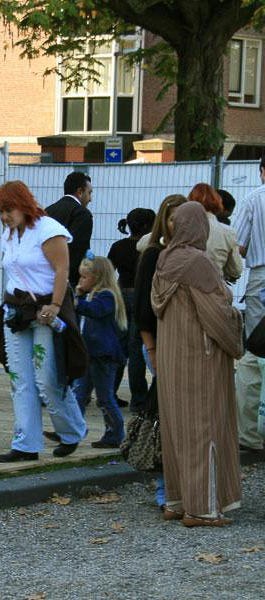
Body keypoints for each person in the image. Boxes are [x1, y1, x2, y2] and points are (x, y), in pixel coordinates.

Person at [152, 202, 243, 527]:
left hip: (171, 358)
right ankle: (201, 509)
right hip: (199, 358)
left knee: (177, 430)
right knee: (203, 429)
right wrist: (236, 324)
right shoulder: (198, 262)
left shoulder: (165, 259)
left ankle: (176, 501)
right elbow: (216, 315)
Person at [0, 181, 87, 462]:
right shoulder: (9, 234)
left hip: (45, 310)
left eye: (8, 210)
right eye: (0, 211)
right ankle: (26, 443)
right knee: (19, 379)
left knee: (46, 379)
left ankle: (71, 431)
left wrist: (55, 306)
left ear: (23, 205)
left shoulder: (49, 229)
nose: (4, 217)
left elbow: (62, 269)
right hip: (16, 310)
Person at [133, 194, 187, 512]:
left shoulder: (189, 255)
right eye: (172, 217)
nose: (177, 223)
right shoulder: (154, 254)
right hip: (159, 342)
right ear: (162, 221)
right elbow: (142, 309)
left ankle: (175, 487)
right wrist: (151, 348)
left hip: (180, 344)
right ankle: (165, 487)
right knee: (166, 415)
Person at [72, 255, 126, 448]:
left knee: (104, 398)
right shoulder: (93, 296)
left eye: (84, 277)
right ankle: (71, 429)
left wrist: (77, 300)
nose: (80, 281)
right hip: (91, 353)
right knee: (78, 393)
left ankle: (115, 435)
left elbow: (95, 310)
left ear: (97, 278)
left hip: (103, 355)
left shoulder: (106, 296)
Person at [108, 208, 155, 411]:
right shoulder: (149, 248)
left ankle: (109, 394)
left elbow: (108, 271)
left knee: (119, 345)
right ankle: (139, 399)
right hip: (141, 296)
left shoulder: (118, 246)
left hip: (120, 296)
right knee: (136, 347)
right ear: (147, 226)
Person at [233, 157, 265, 455]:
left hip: (261, 277)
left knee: (256, 355)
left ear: (262, 172)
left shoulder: (254, 199)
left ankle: (251, 432)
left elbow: (239, 246)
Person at [45, 171, 93, 287]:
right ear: (80, 192)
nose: (90, 199)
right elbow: (78, 249)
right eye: (89, 193)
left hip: (45, 276)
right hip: (68, 281)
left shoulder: (48, 211)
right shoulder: (82, 213)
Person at [187, 183, 242, 282]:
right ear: (218, 204)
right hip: (213, 285)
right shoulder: (227, 232)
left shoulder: (178, 226)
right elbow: (235, 271)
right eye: (225, 216)